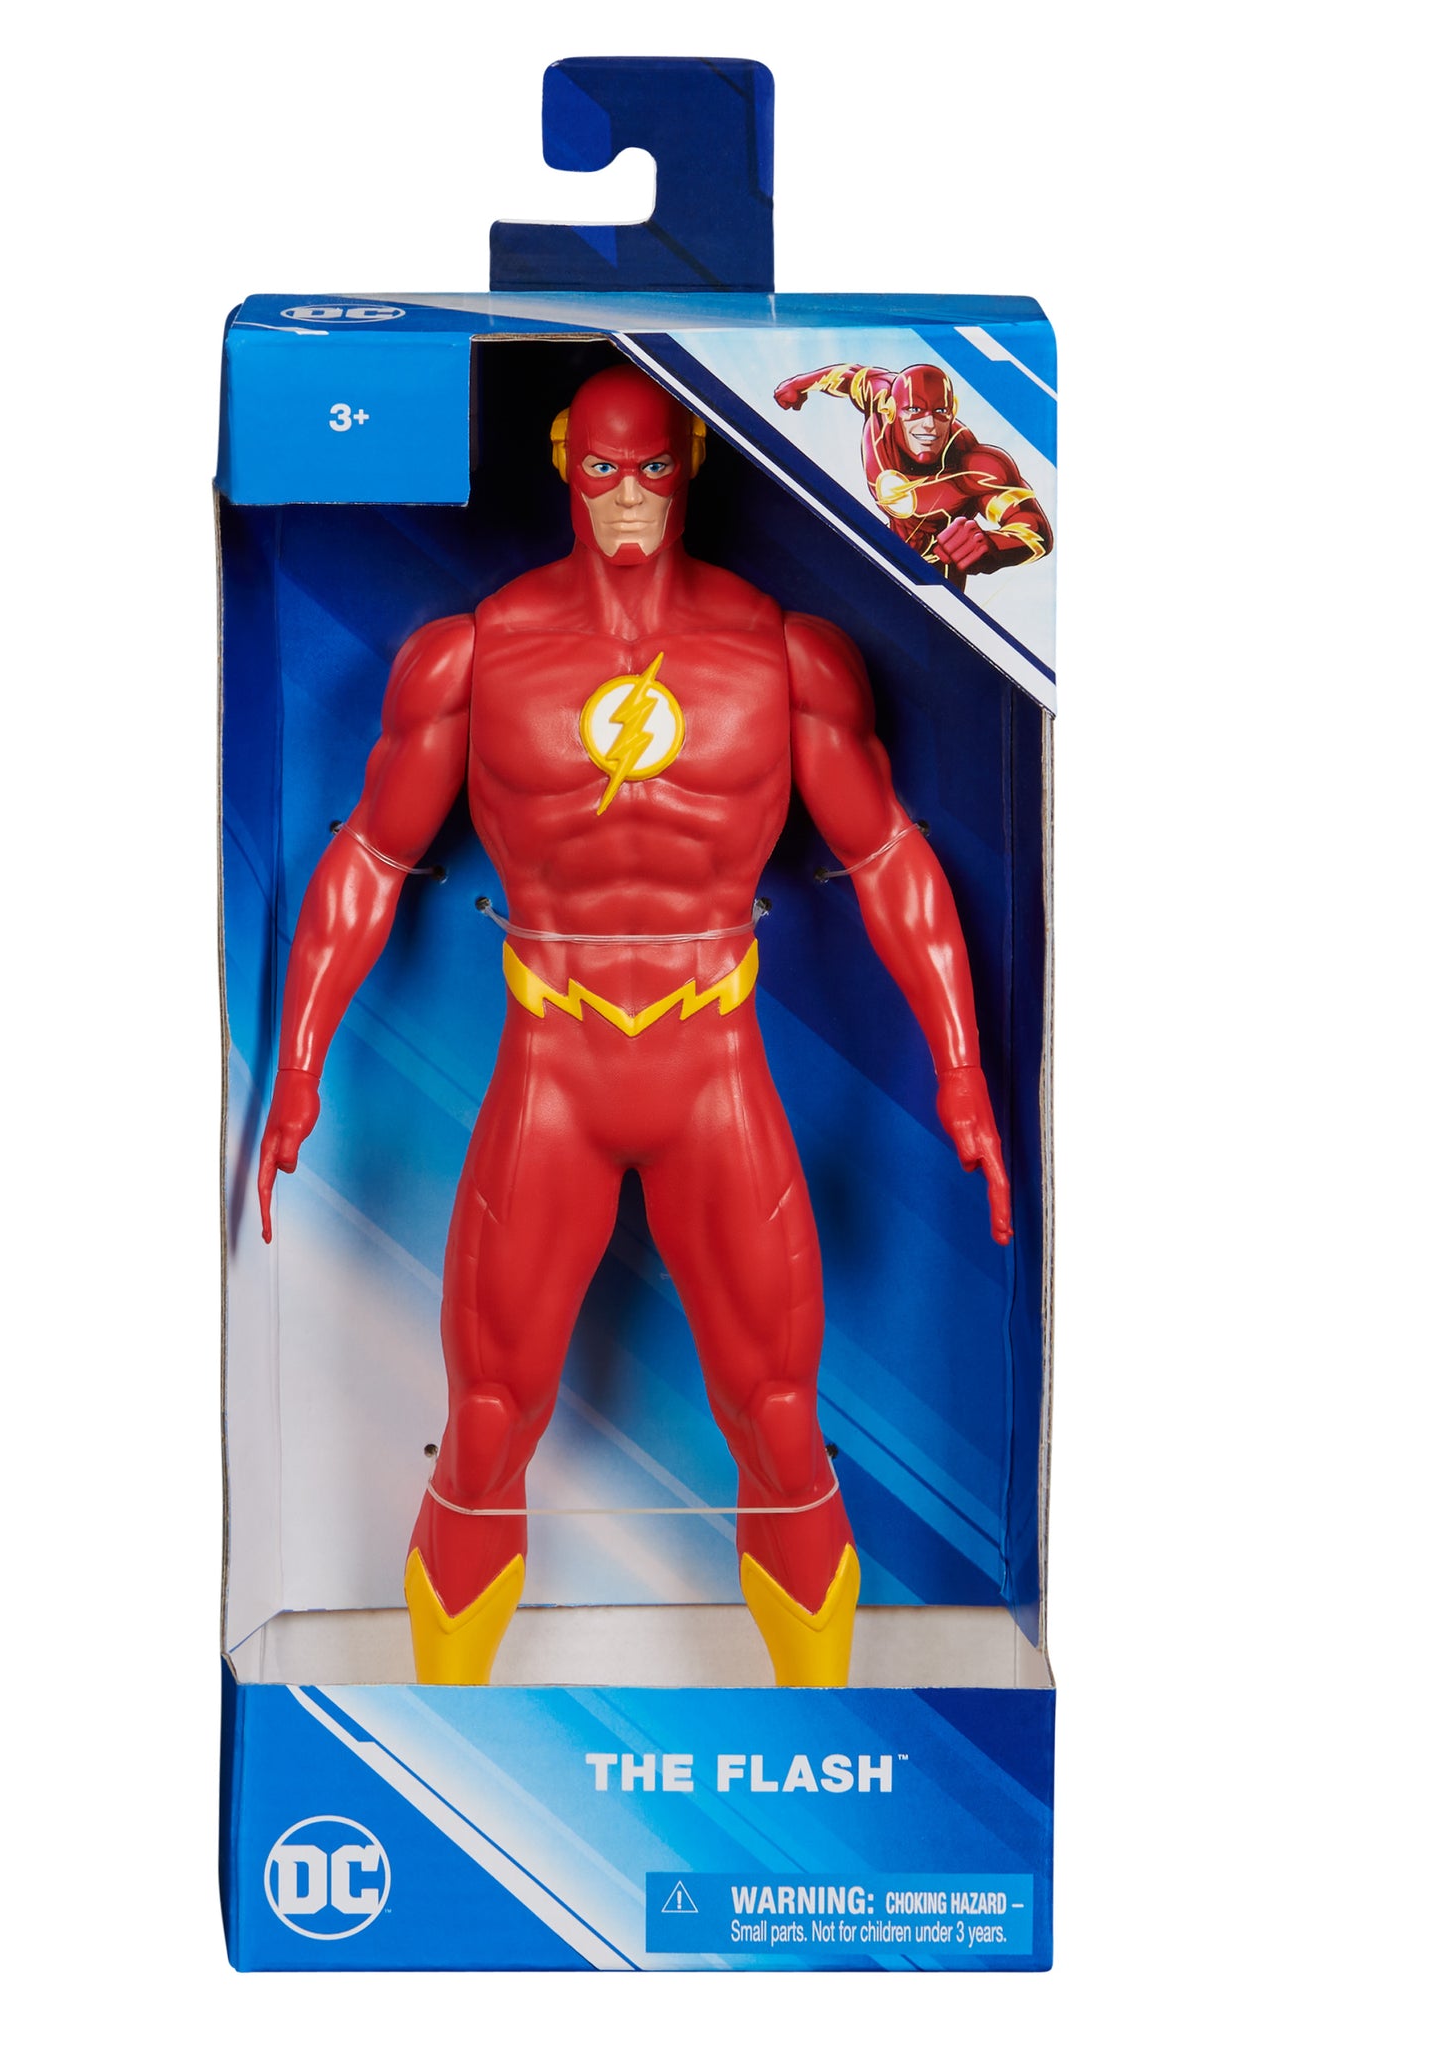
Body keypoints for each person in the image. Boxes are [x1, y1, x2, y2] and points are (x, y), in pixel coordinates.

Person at [258, 364, 1011, 1687]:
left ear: (694, 464)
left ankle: (812, 1725)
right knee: (486, 1422)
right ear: (562, 461)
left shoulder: (781, 655)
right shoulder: (475, 653)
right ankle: (447, 1712)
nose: (626, 497)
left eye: (653, 467)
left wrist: (961, 1067)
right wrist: (299, 1066)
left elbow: (889, 857)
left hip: (712, 1069)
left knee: (781, 1424)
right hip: (550, 1072)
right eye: (602, 468)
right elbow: (369, 856)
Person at [774, 359, 1053, 579]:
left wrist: (993, 546)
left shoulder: (976, 466)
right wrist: (799, 384)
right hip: (887, 542)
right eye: (915, 411)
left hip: (936, 570)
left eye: (940, 412)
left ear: (952, 410)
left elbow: (1034, 531)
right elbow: (847, 376)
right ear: (891, 408)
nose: (929, 425)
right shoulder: (881, 397)